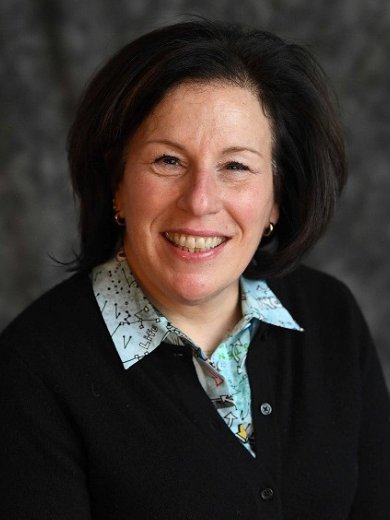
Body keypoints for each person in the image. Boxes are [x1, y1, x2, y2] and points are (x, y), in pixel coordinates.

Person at [0, 18, 389, 520]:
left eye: (235, 166)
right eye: (168, 161)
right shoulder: (32, 372)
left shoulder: (330, 314)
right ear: (116, 184)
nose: (200, 202)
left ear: (276, 199)